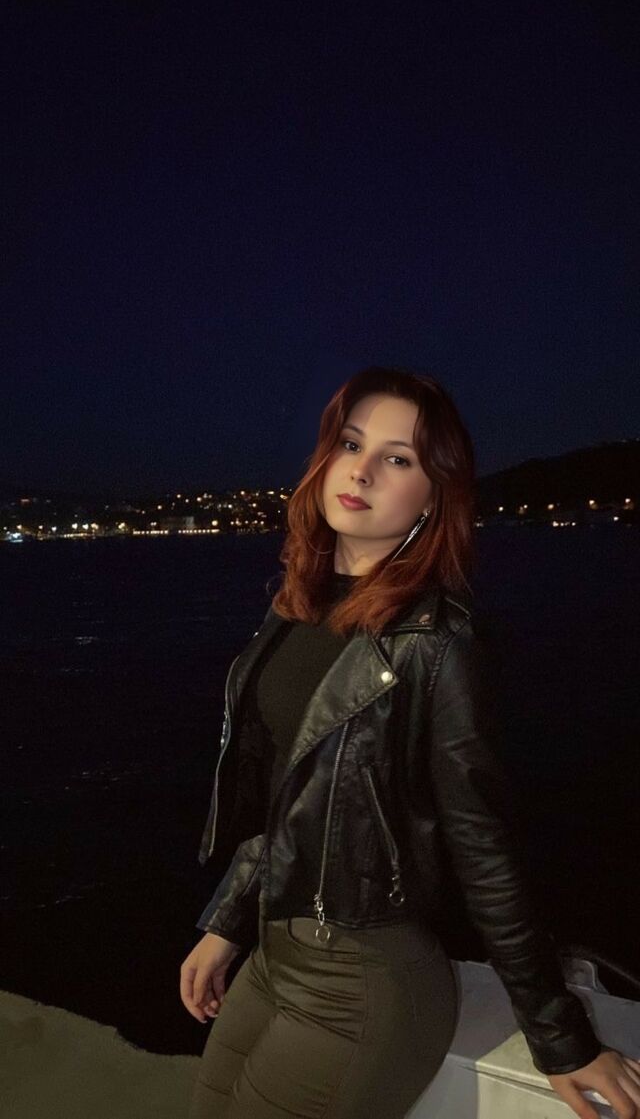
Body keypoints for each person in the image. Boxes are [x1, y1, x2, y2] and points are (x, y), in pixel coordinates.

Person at [181, 366, 640, 1119]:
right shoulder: (297, 608)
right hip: (274, 955)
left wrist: (562, 1037)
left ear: (433, 497)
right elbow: (286, 799)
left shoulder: (438, 641)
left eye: (397, 458)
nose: (360, 469)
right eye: (350, 443)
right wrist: (228, 922)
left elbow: (482, 844)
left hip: (361, 983)